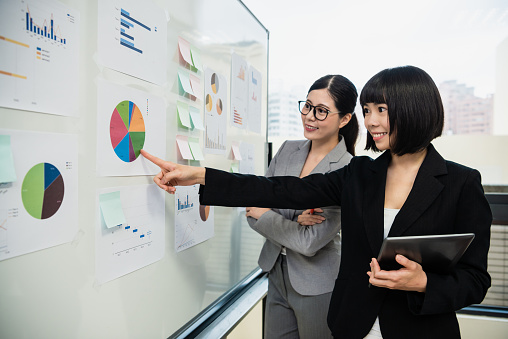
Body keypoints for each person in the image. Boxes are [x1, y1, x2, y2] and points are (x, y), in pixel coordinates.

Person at [140, 65, 492, 339]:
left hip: (420, 329)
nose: (370, 121)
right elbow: (281, 190)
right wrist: (201, 176)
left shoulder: (462, 183)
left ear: (415, 109)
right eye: (367, 110)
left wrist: (425, 283)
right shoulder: (360, 174)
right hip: (353, 326)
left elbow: (475, 280)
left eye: (381, 110)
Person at [245, 74, 358, 338]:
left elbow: (310, 243)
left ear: (344, 119)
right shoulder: (287, 149)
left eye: (321, 111)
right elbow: (252, 210)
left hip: (317, 282)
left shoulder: (349, 169)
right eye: (307, 106)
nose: (309, 116)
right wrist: (295, 223)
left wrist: (269, 214)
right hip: (275, 273)